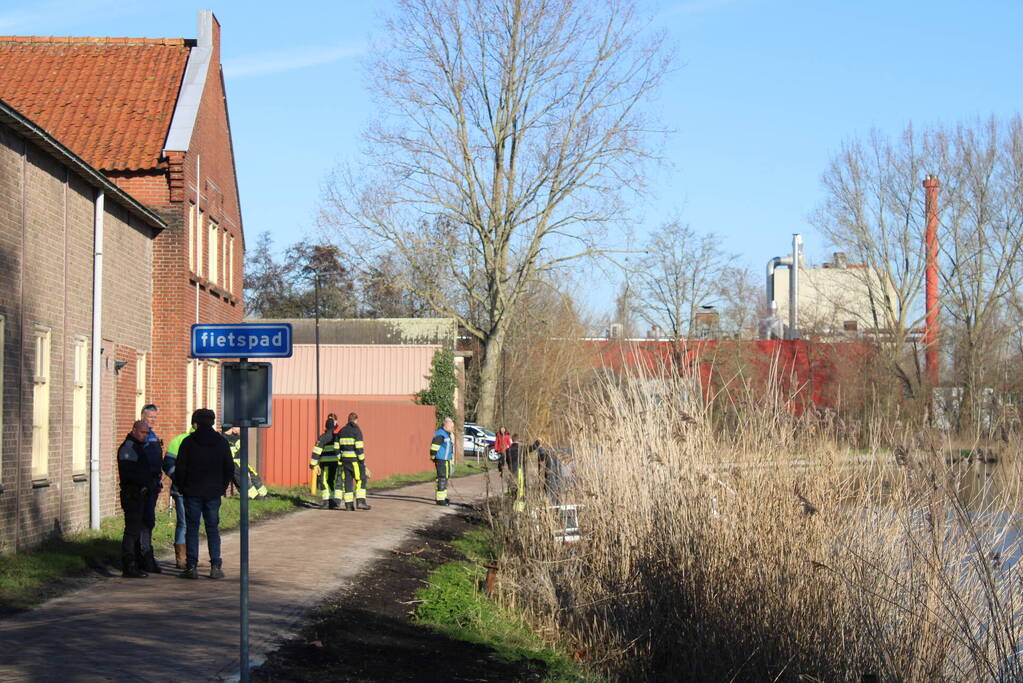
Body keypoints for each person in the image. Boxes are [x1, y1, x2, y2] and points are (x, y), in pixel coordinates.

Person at [173, 408, 234, 579]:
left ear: (196, 423)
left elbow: (180, 468)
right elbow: (229, 468)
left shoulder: (188, 442)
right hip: (213, 493)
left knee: (192, 528)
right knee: (212, 529)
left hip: (192, 492)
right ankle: (215, 566)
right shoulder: (221, 442)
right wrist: (221, 487)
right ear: (213, 422)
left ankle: (191, 567)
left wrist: (183, 487)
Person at [117, 420, 153, 578]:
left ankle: (137, 563)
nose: (145, 435)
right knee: (131, 531)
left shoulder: (137, 447)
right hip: (132, 494)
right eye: (142, 432)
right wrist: (142, 483)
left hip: (140, 494)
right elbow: (128, 473)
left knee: (137, 530)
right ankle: (129, 566)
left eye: (147, 433)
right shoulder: (129, 448)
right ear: (134, 430)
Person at [163, 420, 195, 570]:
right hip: (182, 490)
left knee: (190, 523)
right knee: (184, 523)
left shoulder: (180, 439)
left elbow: (168, 464)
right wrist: (180, 479)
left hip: (193, 490)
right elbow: (168, 463)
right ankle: (182, 558)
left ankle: (189, 557)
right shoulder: (180, 440)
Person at [137, 404, 163, 573]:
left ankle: (146, 553)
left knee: (149, 520)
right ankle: (143, 555)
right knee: (144, 521)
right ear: (142, 416)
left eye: (154, 417)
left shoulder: (152, 435)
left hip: (153, 484)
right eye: (149, 417)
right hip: (144, 486)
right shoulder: (141, 437)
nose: (152, 420)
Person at [338, 412, 371, 511]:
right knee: (361, 479)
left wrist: (341, 458)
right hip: (355, 461)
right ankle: (360, 502)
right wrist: (362, 461)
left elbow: (337, 447)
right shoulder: (356, 431)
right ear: (356, 420)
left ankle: (348, 505)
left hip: (344, 461)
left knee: (348, 482)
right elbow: (359, 448)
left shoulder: (342, 431)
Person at [225, 426, 268, 499]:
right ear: (232, 427)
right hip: (234, 463)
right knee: (243, 479)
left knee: (253, 474)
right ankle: (254, 496)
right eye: (238, 427)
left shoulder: (237, 437)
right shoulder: (224, 438)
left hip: (242, 461)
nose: (240, 429)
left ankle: (264, 494)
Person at [309, 414, 342, 509]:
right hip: (336, 463)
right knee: (332, 482)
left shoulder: (323, 437)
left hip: (325, 464)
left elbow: (316, 451)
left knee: (324, 482)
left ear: (326, 426)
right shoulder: (337, 436)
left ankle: (326, 502)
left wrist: (312, 464)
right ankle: (333, 501)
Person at [429, 417, 455, 506]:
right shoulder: (441, 434)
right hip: (441, 460)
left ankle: (443, 497)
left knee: (445, 477)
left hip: (445, 459)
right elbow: (434, 447)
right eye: (451, 427)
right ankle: (440, 500)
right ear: (446, 426)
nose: (452, 428)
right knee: (442, 478)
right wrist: (433, 456)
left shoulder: (446, 434)